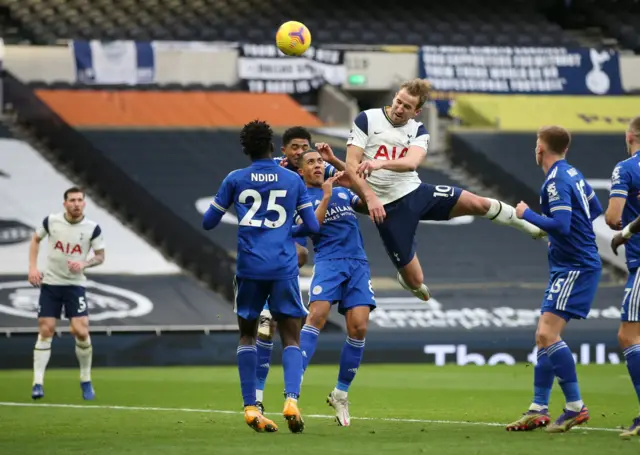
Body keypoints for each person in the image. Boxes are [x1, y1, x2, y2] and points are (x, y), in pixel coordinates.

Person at [344, 78, 545, 302]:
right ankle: (407, 278)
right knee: (416, 281)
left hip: (416, 193)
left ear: (417, 112)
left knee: (477, 203)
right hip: (387, 208)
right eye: (398, 102)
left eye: (407, 107)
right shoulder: (367, 119)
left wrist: (379, 163)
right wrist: (371, 198)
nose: (400, 109)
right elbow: (351, 166)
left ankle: (525, 223)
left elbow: (411, 163)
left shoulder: (419, 130)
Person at [202, 120, 320, 434]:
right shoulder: (292, 180)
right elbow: (312, 226)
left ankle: (251, 407)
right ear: (272, 146)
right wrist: (285, 232)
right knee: (292, 336)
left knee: (247, 335)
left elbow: (209, 221)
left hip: (250, 268)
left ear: (247, 149)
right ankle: (291, 400)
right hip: (282, 267)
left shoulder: (235, 179)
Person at [505, 126, 601, 433]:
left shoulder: (556, 181)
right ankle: (538, 408)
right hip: (572, 262)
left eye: (536, 144)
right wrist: (563, 238)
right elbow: (594, 210)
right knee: (542, 337)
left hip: (575, 266)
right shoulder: (572, 173)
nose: (535, 149)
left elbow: (561, 223)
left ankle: (575, 406)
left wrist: (527, 214)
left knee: (547, 335)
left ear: (541, 149)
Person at [256, 127, 346, 411]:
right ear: (283, 150)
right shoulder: (273, 170)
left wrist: (335, 163)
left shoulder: (317, 168)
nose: (299, 152)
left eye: (304, 147)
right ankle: (270, 306)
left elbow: (348, 175)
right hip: (271, 235)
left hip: (299, 231)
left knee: (301, 253)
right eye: (294, 147)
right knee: (296, 252)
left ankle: (273, 307)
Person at [291, 150, 375, 427]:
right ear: (302, 171)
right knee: (316, 315)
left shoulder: (341, 192)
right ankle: (294, 384)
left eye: (320, 161)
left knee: (359, 327)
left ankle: (340, 393)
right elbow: (304, 230)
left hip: (357, 263)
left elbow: (367, 205)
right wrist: (325, 195)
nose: (318, 165)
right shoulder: (301, 198)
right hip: (329, 262)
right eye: (311, 163)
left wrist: (356, 189)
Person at [28, 187, 106, 401]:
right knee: (46, 329)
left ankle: (86, 379)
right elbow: (35, 239)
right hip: (52, 283)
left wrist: (84, 263)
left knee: (80, 331)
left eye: (80, 200)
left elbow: (100, 256)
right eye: (72, 200)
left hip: (75, 285)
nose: (76, 204)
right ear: (65, 203)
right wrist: (33, 268)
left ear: (84, 203)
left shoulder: (92, 228)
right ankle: (38, 382)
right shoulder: (51, 221)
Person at [605, 116, 640, 438]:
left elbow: (613, 217)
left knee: (629, 336)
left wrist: (623, 230)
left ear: (630, 136)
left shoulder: (627, 167)